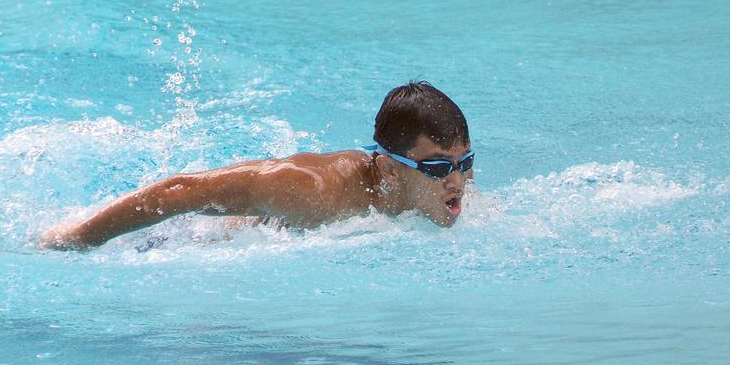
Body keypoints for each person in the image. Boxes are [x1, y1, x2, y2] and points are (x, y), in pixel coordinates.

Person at [40, 81, 474, 250]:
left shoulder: (441, 188)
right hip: (185, 235)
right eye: (437, 168)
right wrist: (78, 237)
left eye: (465, 163)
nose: (457, 181)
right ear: (389, 167)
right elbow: (180, 191)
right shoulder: (313, 190)